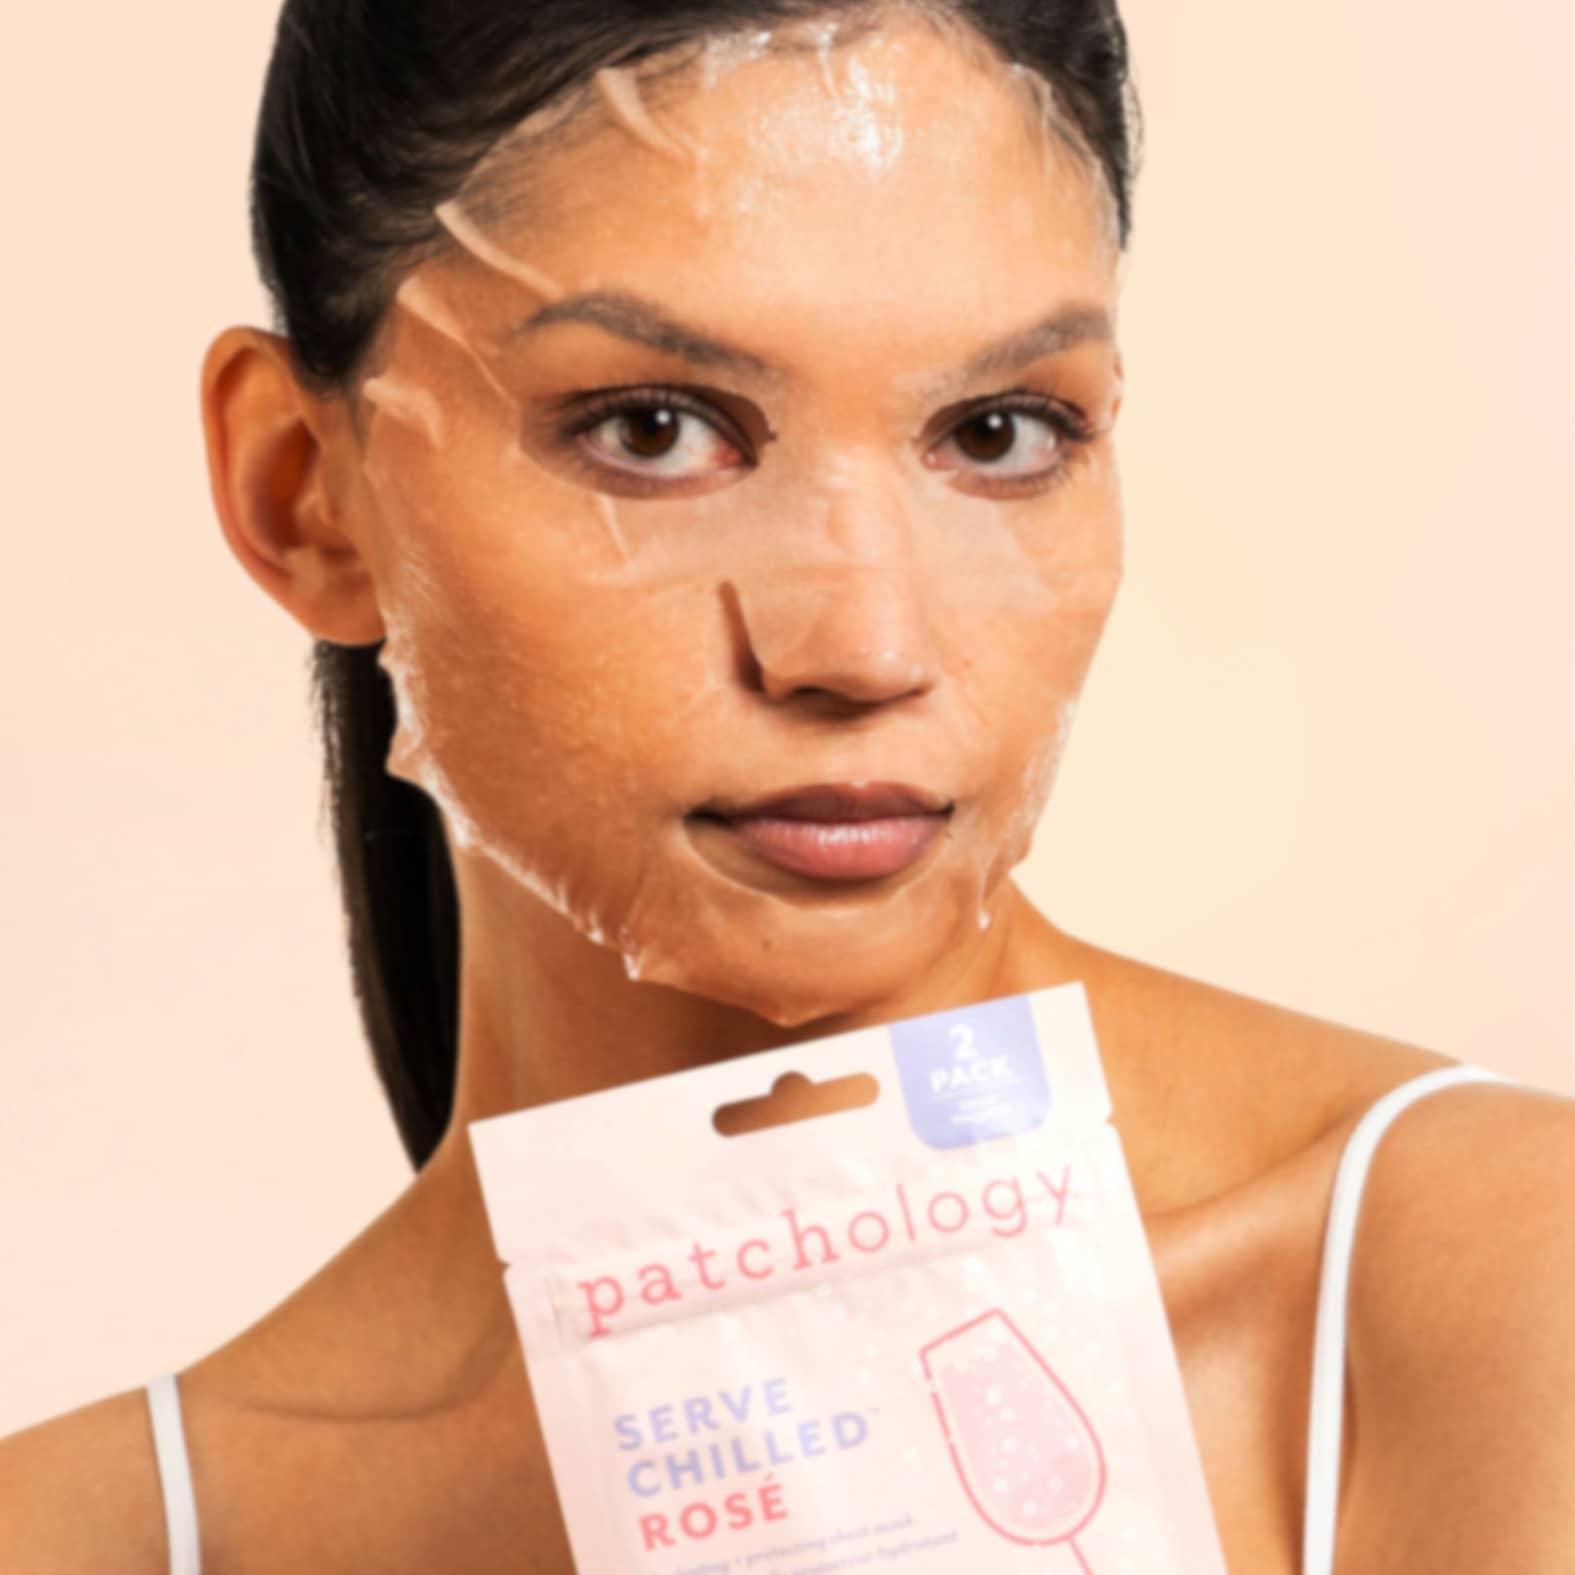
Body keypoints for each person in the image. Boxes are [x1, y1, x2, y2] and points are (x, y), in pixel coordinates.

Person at [3, 2, 1571, 1570]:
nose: (865, 646)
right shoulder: (86, 1536)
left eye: (1000, 431)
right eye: (655, 430)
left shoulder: (1499, 1292)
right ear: (303, 494)